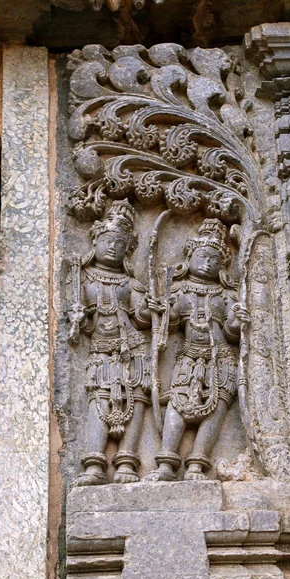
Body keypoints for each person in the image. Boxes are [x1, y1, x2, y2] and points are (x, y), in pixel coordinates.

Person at [145, 218, 245, 481]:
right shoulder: (179, 289)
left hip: (220, 359)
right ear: (188, 257)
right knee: (178, 405)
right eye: (202, 256)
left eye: (214, 259)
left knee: (216, 408)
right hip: (189, 356)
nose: (208, 262)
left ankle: (197, 465)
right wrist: (163, 310)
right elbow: (172, 323)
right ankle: (166, 462)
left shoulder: (225, 295)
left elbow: (230, 333)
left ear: (222, 266)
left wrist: (237, 320)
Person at [68, 199, 151, 485]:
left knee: (137, 398)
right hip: (102, 349)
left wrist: (150, 308)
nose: (113, 247)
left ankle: (127, 461)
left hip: (133, 348)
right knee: (99, 399)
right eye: (107, 241)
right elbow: (85, 323)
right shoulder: (82, 276)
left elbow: (141, 318)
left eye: (120, 243)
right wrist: (79, 319)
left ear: (128, 249)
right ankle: (94, 463)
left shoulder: (130, 282)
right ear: (96, 241)